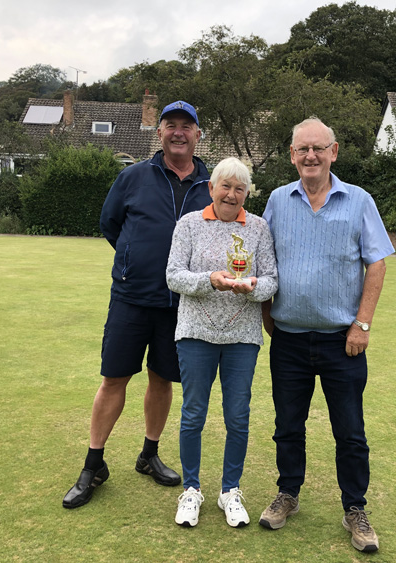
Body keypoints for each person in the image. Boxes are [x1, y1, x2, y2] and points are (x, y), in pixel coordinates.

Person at [63, 101, 212, 509]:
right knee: (114, 379)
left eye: (187, 126)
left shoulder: (211, 185)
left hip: (180, 304)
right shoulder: (132, 177)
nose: (178, 132)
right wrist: (132, 261)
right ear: (159, 133)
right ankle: (94, 464)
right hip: (131, 298)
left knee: (162, 379)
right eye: (170, 126)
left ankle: (148, 454)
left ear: (198, 135)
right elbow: (110, 224)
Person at [258, 118, 394, 553]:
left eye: (319, 148)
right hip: (290, 340)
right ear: (292, 155)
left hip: (343, 341)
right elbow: (264, 261)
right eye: (302, 150)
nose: (310, 156)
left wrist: (363, 323)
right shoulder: (278, 200)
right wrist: (267, 313)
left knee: (350, 430)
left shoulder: (358, 200)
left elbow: (377, 264)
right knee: (287, 426)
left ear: (334, 152)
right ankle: (288, 494)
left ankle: (355, 508)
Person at [166, 157, 278, 528]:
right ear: (211, 188)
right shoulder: (190, 224)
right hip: (196, 332)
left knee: (238, 416)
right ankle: (192, 489)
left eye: (240, 188)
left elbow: (271, 280)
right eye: (225, 186)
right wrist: (209, 280)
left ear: (247, 193)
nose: (232, 194)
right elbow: (173, 276)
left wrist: (251, 288)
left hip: (242, 337)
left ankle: (230, 490)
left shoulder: (259, 228)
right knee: (193, 413)